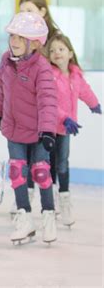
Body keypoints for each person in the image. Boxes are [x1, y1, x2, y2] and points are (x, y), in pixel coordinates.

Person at [0, 12, 58, 244]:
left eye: (21, 38)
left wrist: (49, 130)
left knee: (41, 172)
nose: (14, 42)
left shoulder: (41, 67)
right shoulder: (5, 60)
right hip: (15, 129)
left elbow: (48, 100)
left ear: (34, 42)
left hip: (40, 131)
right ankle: (24, 217)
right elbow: (3, 90)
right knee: (17, 173)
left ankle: (49, 215)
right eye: (12, 36)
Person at [46, 33, 101, 227]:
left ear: (70, 53)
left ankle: (65, 201)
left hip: (67, 129)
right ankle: (50, 204)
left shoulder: (76, 75)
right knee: (50, 165)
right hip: (50, 127)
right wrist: (65, 118)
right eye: (52, 50)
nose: (56, 53)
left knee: (63, 164)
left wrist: (94, 104)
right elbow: (50, 102)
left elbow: (84, 91)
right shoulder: (50, 75)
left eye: (60, 49)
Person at [17, 0, 61, 211]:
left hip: (52, 110)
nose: (24, 15)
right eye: (21, 11)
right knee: (23, 158)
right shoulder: (20, 41)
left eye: (29, 10)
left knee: (49, 158)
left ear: (42, 11)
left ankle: (51, 202)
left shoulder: (53, 39)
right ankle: (26, 197)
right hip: (27, 112)